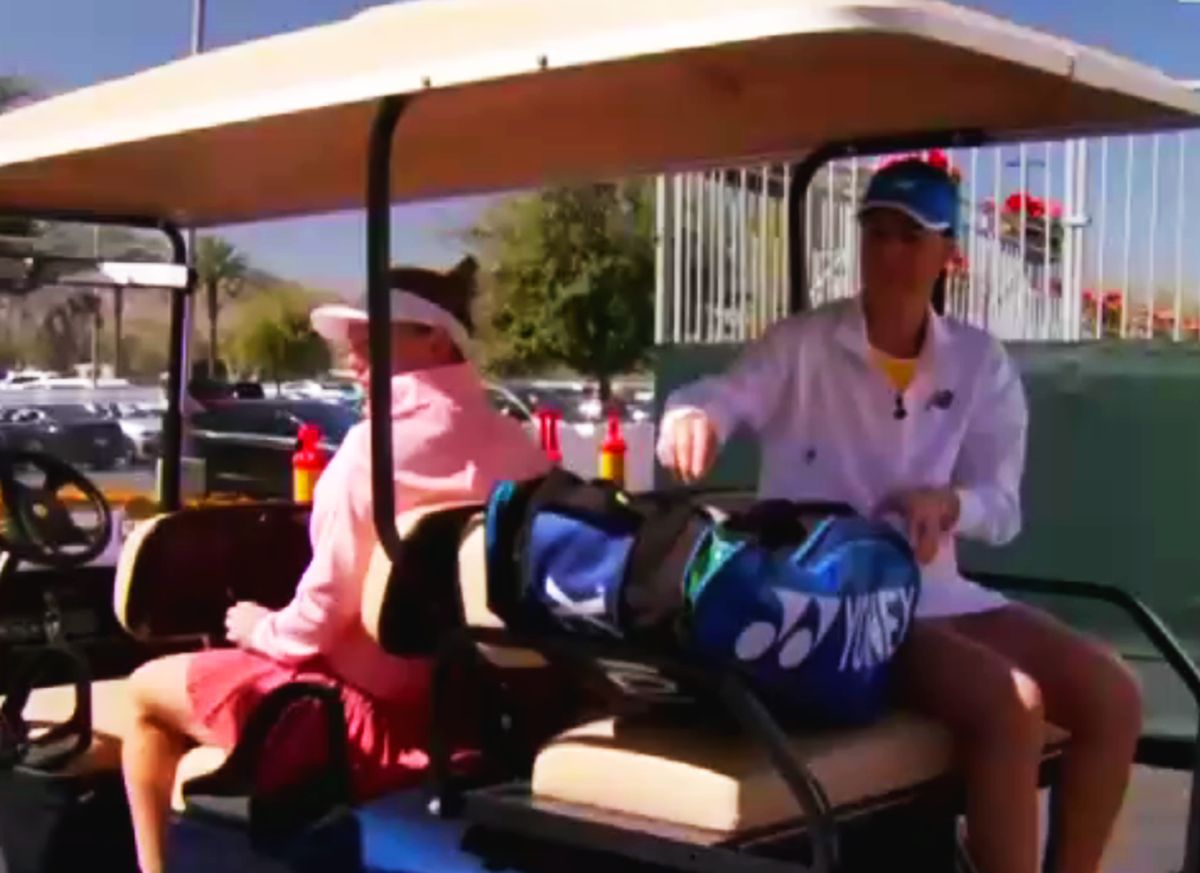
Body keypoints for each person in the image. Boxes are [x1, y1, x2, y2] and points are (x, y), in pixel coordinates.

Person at [656, 159, 1141, 873]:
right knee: (1010, 703)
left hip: (938, 591)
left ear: (949, 254)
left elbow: (1001, 505)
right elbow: (724, 395)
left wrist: (951, 505)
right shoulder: (804, 343)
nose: (889, 252)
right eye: (876, 232)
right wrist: (691, 415)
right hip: (840, 607)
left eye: (910, 237)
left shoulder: (978, 362)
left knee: (1113, 695)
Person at [121, 256, 551, 873]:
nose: (352, 360)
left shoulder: (367, 450)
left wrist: (256, 626)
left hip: (349, 722)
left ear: (433, 338)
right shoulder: (517, 443)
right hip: (468, 713)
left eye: (370, 340)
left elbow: (318, 620)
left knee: (141, 692)